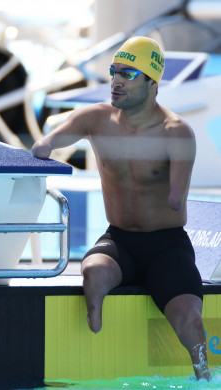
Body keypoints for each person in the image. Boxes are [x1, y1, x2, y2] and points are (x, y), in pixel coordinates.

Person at [32, 36, 210, 380]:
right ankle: (94, 341)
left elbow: (178, 198)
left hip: (167, 245)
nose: (115, 81)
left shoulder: (176, 132)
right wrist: (44, 148)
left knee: (190, 317)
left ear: (152, 83)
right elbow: (45, 144)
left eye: (128, 74)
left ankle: (204, 376)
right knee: (94, 272)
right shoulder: (96, 120)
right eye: (113, 72)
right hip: (120, 241)